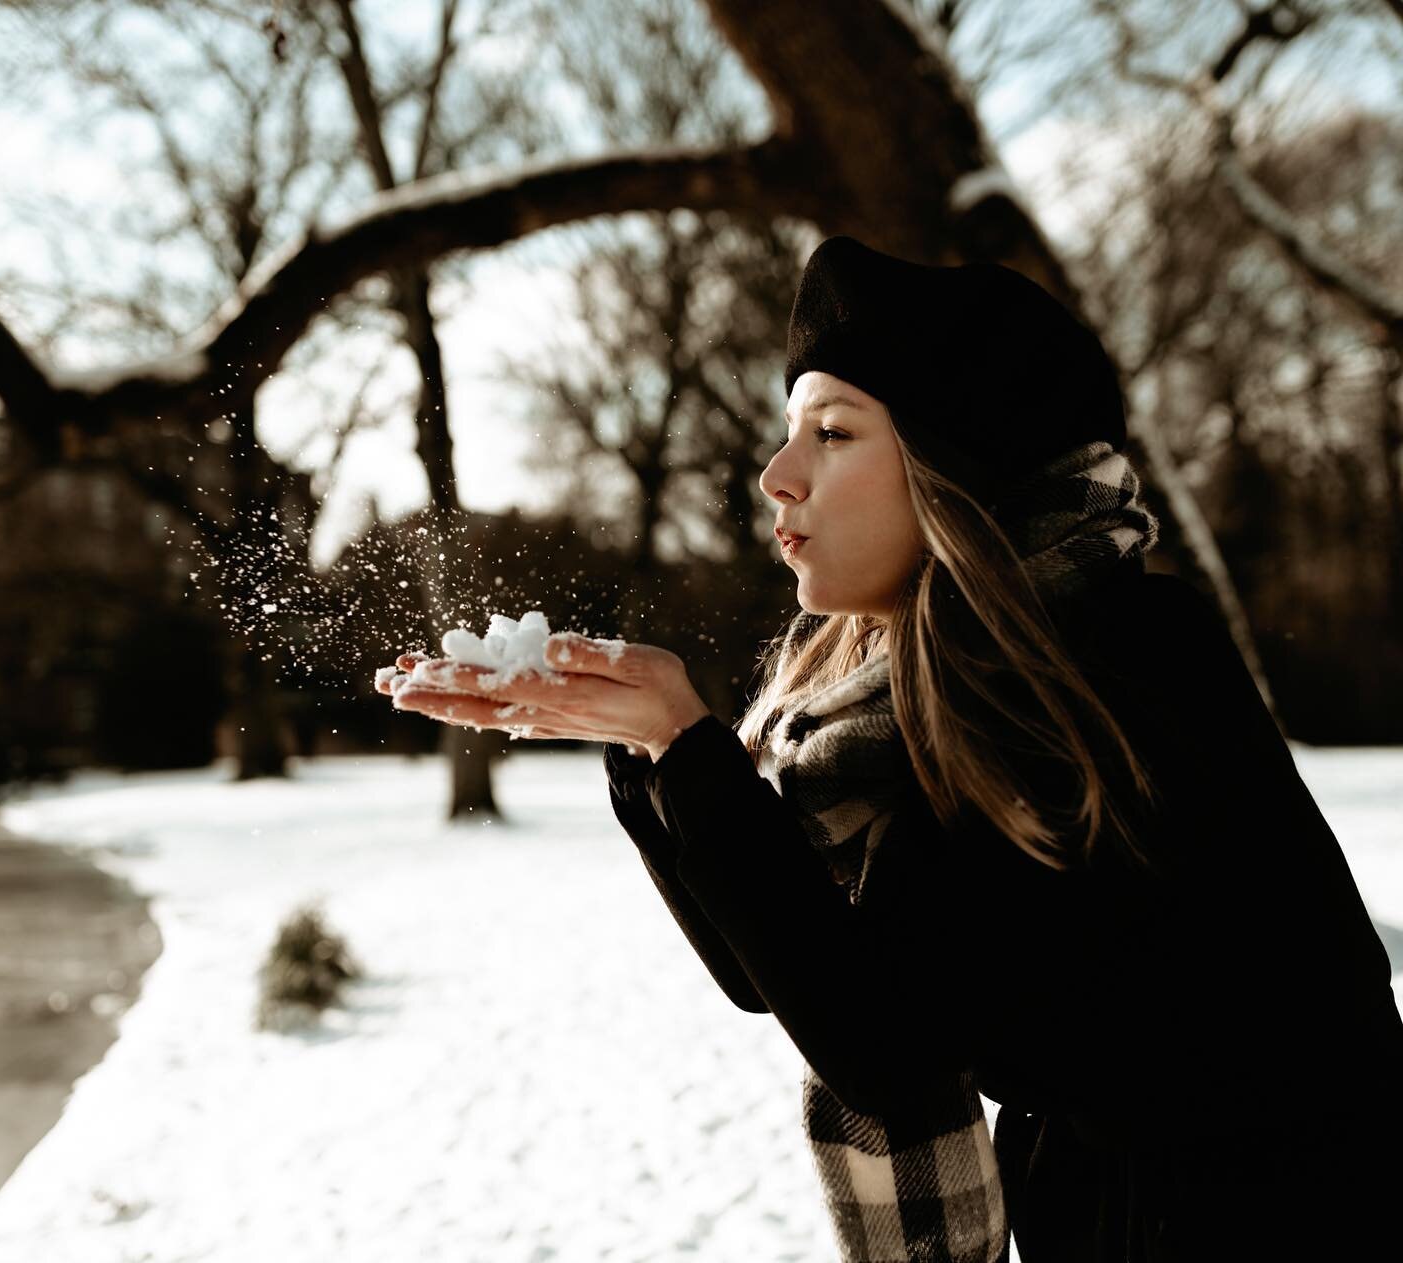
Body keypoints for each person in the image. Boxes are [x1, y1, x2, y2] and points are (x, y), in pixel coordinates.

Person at [380, 235, 1403, 1261]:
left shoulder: (1105, 664)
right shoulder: (946, 673)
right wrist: (652, 757)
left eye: (832, 432)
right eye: (790, 434)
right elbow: (780, 972)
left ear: (957, 464)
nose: (779, 477)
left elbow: (888, 1040)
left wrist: (682, 744)